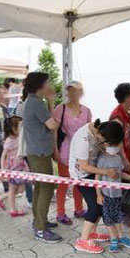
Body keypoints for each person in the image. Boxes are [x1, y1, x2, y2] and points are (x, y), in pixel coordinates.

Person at [23, 72, 61, 243]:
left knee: (40, 187)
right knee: (46, 187)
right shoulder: (36, 103)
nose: (50, 85)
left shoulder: (32, 101)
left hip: (36, 150)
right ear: (40, 85)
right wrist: (52, 101)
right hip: (39, 152)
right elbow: (53, 125)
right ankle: (40, 229)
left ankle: (39, 220)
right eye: (48, 82)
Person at [68, 119, 115, 253]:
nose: (105, 145)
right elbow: (83, 166)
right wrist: (106, 172)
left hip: (92, 172)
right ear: (101, 135)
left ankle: (92, 233)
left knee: (101, 202)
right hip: (81, 176)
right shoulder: (83, 139)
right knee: (95, 205)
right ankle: (82, 241)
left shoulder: (101, 129)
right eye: (105, 142)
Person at [53, 81, 91, 225]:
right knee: (63, 182)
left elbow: (90, 131)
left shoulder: (86, 110)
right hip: (66, 149)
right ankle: (60, 213)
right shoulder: (60, 108)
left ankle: (79, 209)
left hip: (81, 150)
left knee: (79, 181)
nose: (73, 93)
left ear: (81, 92)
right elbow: (54, 131)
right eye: (71, 90)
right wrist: (55, 150)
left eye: (77, 91)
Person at [95, 121, 130, 253]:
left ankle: (121, 236)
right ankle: (113, 239)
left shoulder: (118, 159)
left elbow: (120, 174)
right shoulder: (102, 159)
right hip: (106, 195)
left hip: (118, 195)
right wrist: (99, 194)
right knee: (108, 219)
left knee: (118, 217)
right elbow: (97, 178)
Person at [0, 116, 28, 217]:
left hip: (21, 166)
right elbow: (3, 156)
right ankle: (13, 210)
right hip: (12, 167)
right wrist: (3, 171)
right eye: (20, 127)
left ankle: (1, 198)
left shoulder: (20, 138)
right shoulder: (9, 141)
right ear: (13, 128)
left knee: (21, 189)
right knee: (12, 189)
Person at [110, 83, 130, 175]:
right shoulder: (117, 117)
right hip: (123, 159)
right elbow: (117, 141)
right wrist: (124, 159)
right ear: (127, 97)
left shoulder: (129, 112)